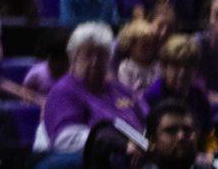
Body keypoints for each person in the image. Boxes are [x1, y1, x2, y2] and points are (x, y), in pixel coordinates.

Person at [36, 22, 146, 152]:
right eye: (88, 55)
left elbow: (149, 120)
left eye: (101, 55)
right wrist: (120, 144)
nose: (95, 62)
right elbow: (65, 139)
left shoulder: (119, 89)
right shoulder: (63, 92)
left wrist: (144, 141)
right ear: (74, 57)